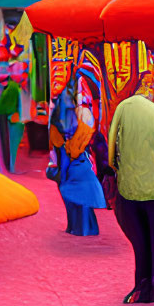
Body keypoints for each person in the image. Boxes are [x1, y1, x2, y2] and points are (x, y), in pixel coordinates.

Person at [109, 88, 154, 304]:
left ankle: (141, 283)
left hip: (130, 187)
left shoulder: (123, 108)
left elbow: (112, 148)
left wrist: (118, 169)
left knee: (139, 241)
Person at [49, 81, 105, 237]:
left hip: (74, 162)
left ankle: (80, 228)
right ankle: (81, 228)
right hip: (74, 161)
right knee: (79, 196)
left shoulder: (72, 117)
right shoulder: (76, 117)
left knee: (78, 195)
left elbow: (75, 140)